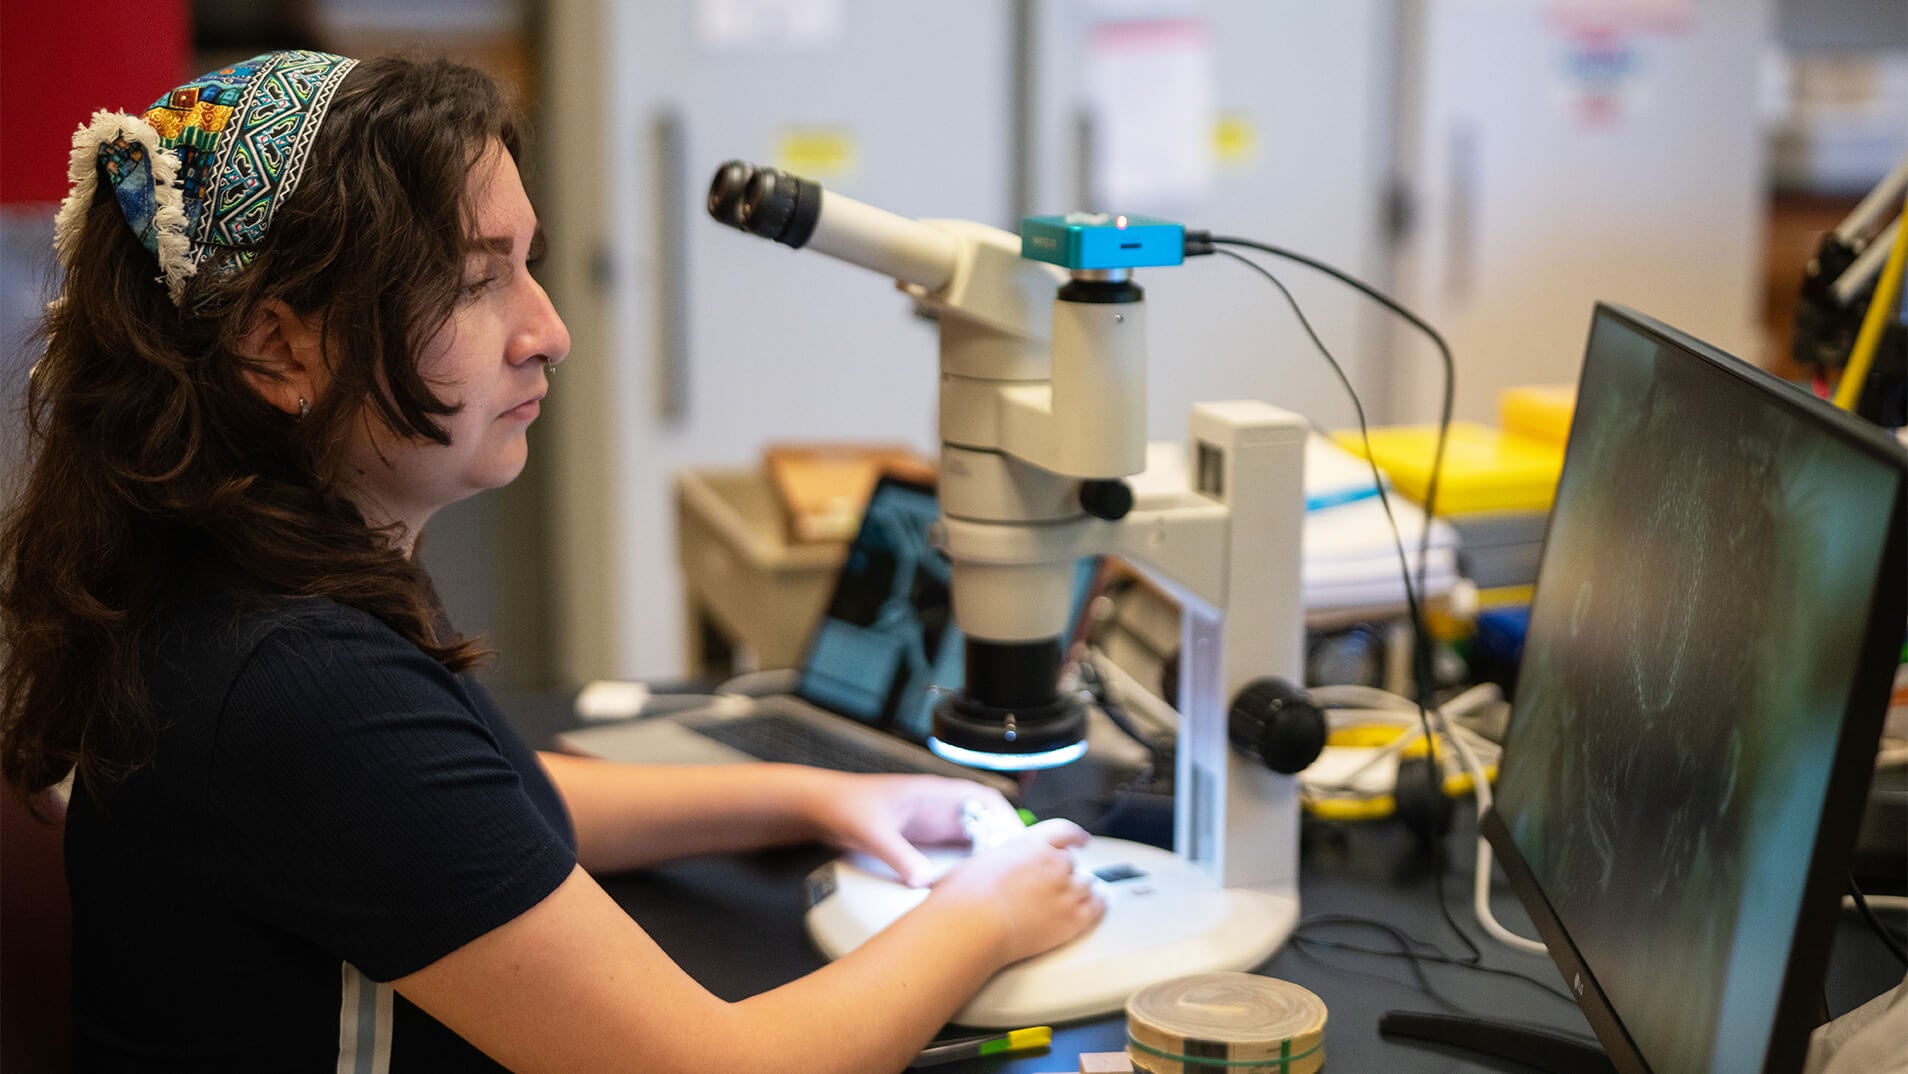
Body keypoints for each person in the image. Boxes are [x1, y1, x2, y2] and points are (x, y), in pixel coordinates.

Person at [0, 50, 1103, 1072]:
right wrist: (988, 913)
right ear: (278, 345)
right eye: (476, 283)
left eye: (524, 264)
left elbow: (485, 809)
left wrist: (816, 797)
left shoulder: (250, 569)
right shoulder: (297, 685)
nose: (549, 330)